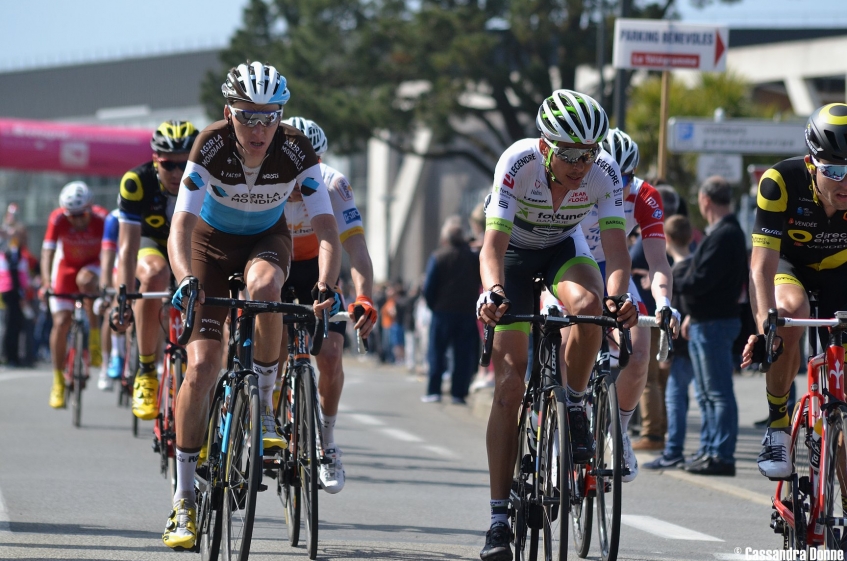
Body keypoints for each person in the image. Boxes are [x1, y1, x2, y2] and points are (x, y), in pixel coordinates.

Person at [162, 61, 341, 550]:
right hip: (209, 246)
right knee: (200, 368)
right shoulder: (211, 145)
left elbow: (328, 231)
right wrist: (185, 280)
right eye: (248, 116)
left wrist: (326, 283)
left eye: (270, 116)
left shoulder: (295, 148)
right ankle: (183, 498)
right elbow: (180, 226)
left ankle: (262, 409)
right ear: (229, 113)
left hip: (267, 237)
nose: (259, 128)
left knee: (267, 290)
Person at [476, 89, 636, 561]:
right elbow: (491, 249)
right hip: (513, 255)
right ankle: (499, 518)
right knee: (508, 386)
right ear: (546, 147)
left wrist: (619, 297)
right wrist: (492, 291)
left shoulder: (603, 171)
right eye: (569, 154)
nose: (580, 164)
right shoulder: (517, 162)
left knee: (589, 307)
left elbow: (617, 251)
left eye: (588, 153)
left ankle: (574, 403)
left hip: (565, 249)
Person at [742, 103, 847, 481]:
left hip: (839, 273)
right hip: (789, 268)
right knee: (789, 313)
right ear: (811, 161)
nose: (844, 183)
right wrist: (763, 327)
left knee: (842, 394)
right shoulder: (780, 181)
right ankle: (777, 424)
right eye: (834, 170)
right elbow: (761, 266)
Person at [278, 116, 377, 494]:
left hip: (320, 270)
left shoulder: (334, 185)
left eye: (311, 166)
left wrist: (365, 296)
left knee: (332, 354)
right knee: (269, 349)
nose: (303, 176)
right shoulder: (266, 182)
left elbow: (358, 251)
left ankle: (327, 442)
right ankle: (267, 416)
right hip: (277, 267)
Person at [579, 128, 679, 480]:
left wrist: (664, 300)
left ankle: (617, 432)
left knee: (639, 349)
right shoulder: (577, 183)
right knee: (566, 334)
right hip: (571, 263)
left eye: (625, 177)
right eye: (609, 174)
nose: (616, 184)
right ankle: (562, 422)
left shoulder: (645, 196)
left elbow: (658, 262)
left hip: (611, 266)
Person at [110, 121, 199, 418]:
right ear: (154, 160)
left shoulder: (209, 180)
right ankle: (146, 371)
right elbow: (127, 248)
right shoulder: (137, 182)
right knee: (153, 274)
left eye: (183, 165)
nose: (176, 173)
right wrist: (123, 297)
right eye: (168, 165)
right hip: (153, 244)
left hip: (189, 247)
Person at [676, 175, 747, 476]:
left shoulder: (725, 234)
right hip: (709, 321)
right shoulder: (725, 232)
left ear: (705, 200)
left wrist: (675, 279)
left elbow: (703, 280)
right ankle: (710, 450)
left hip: (716, 323)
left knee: (717, 393)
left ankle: (721, 454)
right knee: (708, 393)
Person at [41, 182, 109, 408]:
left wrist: (109, 282)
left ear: (90, 208)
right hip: (66, 268)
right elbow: (48, 251)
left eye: (82, 215)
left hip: (93, 266)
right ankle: (58, 381)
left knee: (86, 282)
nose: (77, 220)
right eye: (72, 216)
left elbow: (113, 252)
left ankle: (94, 340)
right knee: (61, 322)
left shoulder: (102, 219)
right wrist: (45, 282)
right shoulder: (58, 218)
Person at [643, 214, 700, 469]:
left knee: (678, 397)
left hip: (683, 344)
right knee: (691, 397)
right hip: (687, 343)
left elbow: (689, 305)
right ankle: (679, 446)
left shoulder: (680, 270)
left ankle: (674, 448)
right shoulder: (692, 263)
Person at [422, 215, 481, 404]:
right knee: (463, 355)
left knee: (437, 352)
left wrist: (434, 306)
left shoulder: (438, 256)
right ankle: (458, 393)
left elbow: (428, 287)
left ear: (445, 237)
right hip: (466, 312)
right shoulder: (473, 258)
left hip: (442, 312)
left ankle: (434, 391)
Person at [96, 208, 124, 390]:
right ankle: (108, 362)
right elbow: (107, 256)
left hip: (147, 262)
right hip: (119, 265)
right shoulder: (114, 218)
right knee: (113, 310)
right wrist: (105, 286)